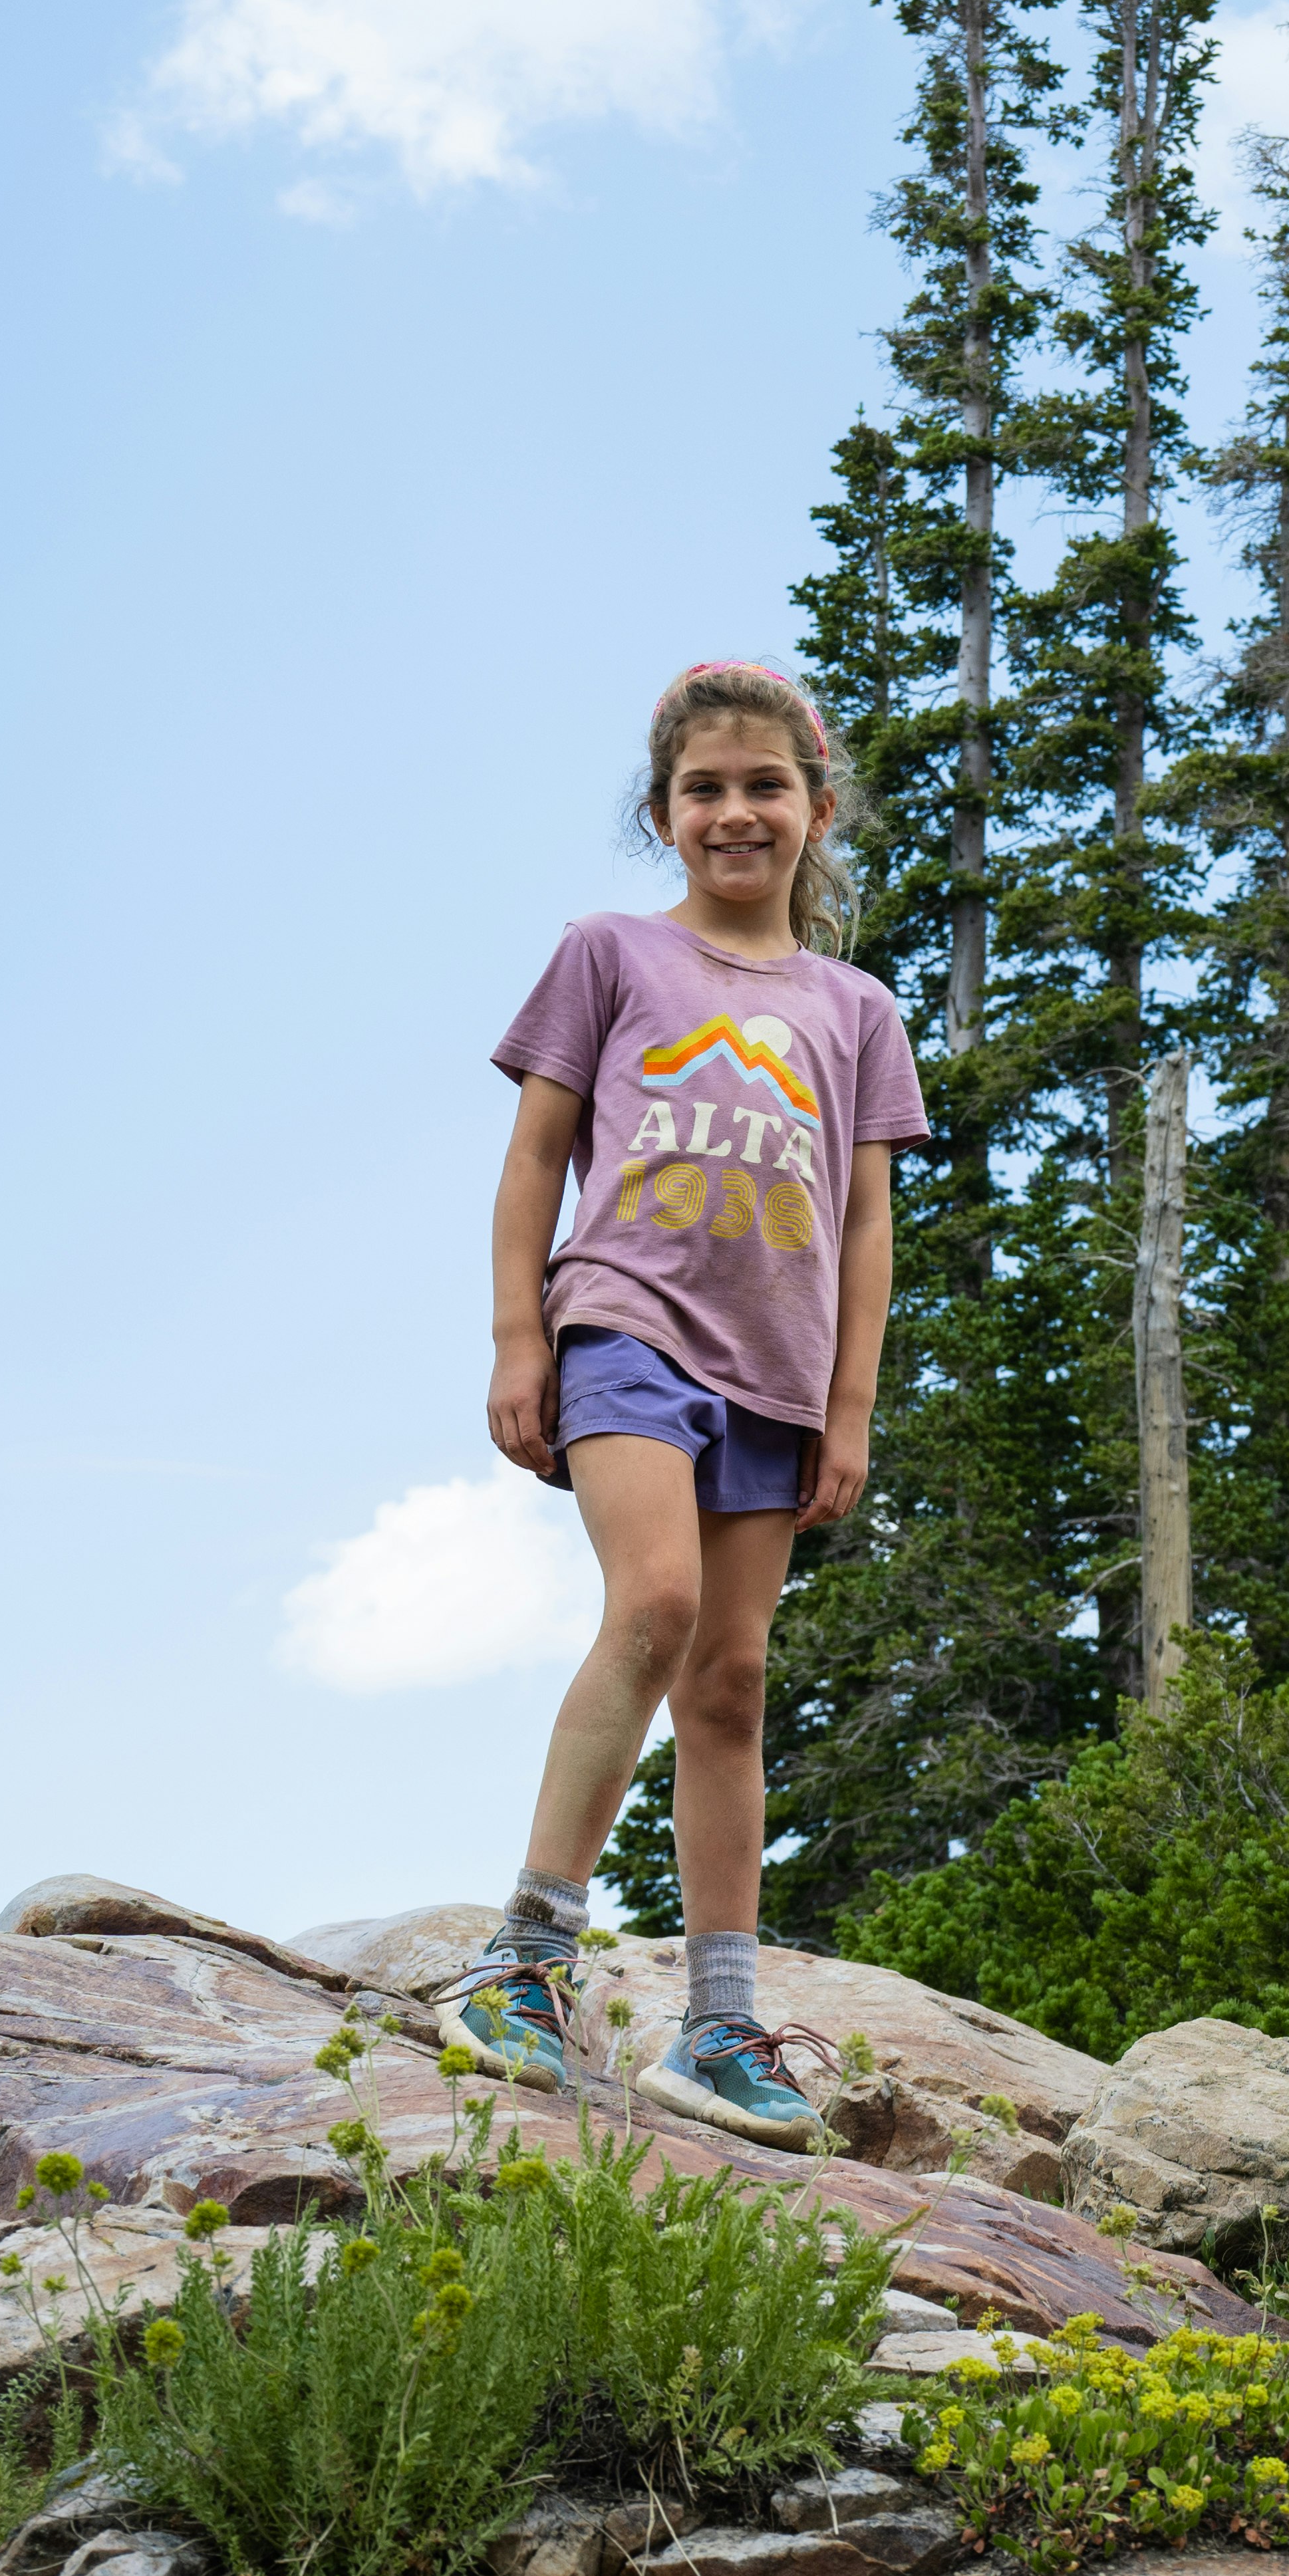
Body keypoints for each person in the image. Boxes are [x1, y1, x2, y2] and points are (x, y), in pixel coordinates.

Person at [441, 661, 924, 2148]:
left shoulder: (854, 1009)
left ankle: (721, 2026)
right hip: (627, 1324)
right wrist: (522, 1337)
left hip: (775, 1374)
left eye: (765, 785)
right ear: (663, 814)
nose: (736, 811)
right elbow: (536, 1160)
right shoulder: (609, 957)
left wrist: (848, 1412)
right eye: (705, 788)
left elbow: (863, 1224)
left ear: (816, 809)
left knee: (732, 1680)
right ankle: (522, 1961)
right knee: (652, 1605)